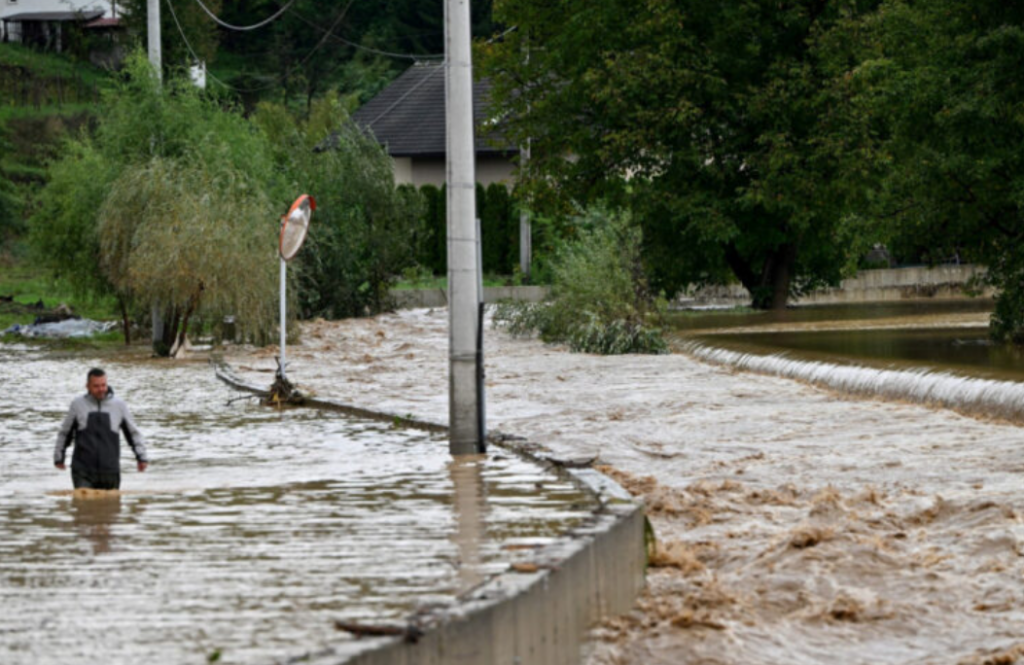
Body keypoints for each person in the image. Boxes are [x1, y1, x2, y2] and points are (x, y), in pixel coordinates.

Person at [54, 368, 149, 490]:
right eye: (96, 386)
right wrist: (59, 457)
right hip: (83, 471)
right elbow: (64, 433)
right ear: (87, 386)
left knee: (110, 507)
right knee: (83, 506)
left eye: (103, 385)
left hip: (110, 471)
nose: (101, 389)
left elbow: (133, 433)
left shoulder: (119, 405)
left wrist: (141, 457)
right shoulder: (77, 405)